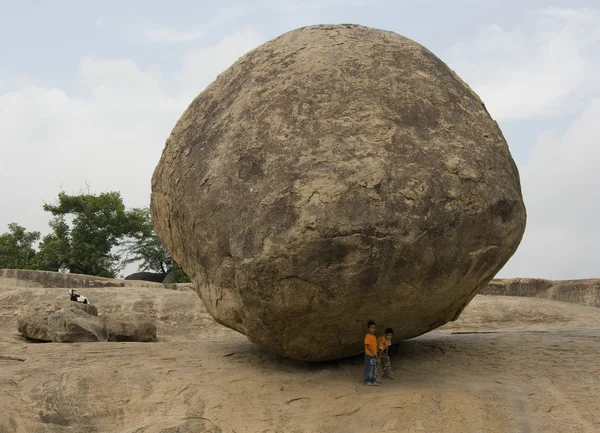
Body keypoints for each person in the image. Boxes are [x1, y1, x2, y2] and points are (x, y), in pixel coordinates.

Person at [364, 320, 378, 386]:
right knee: (369, 368)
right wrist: (372, 353)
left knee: (374, 368)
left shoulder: (374, 337)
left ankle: (373, 380)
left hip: (373, 355)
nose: (373, 329)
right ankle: (367, 380)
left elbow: (374, 346)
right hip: (369, 355)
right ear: (368, 328)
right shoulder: (367, 336)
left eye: (374, 328)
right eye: (372, 328)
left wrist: (376, 354)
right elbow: (368, 345)